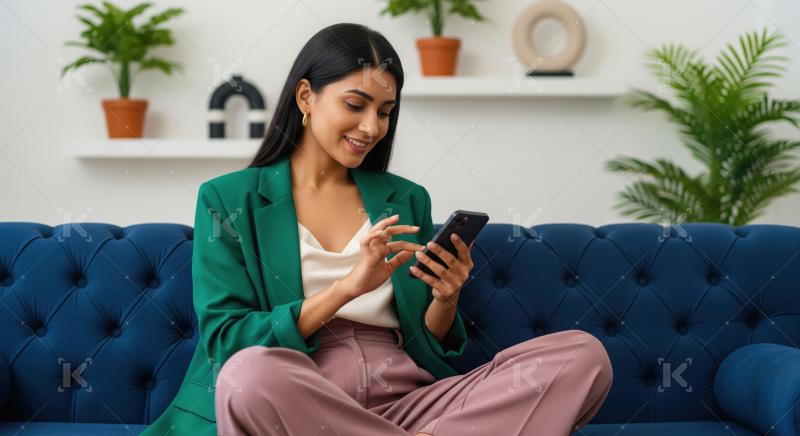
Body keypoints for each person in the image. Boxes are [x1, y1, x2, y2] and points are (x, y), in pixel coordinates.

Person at [141, 22, 613, 436]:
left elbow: (427, 347)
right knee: (247, 375)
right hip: (300, 399)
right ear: (306, 96)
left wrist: (445, 299)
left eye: (385, 111)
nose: (372, 126)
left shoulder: (405, 197)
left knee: (582, 356)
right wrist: (346, 289)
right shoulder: (229, 198)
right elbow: (229, 341)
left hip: (408, 404)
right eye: (356, 104)